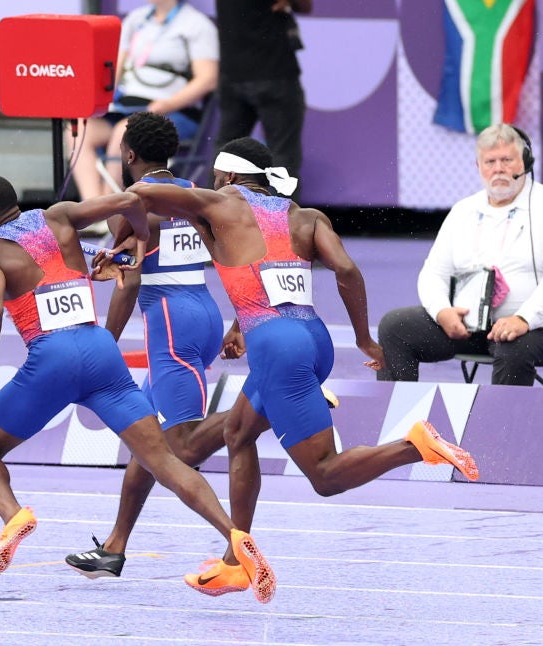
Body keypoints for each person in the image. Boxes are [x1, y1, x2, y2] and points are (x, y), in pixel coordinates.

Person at [125, 137, 480, 598]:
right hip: (314, 339)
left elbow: (144, 193)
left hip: (277, 349)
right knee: (238, 434)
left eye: (216, 177)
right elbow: (346, 271)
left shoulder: (219, 202)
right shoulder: (304, 216)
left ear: (229, 177)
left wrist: (118, 240)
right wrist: (364, 338)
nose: (212, 183)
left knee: (325, 477)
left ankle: (413, 447)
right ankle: (236, 560)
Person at [0, 174, 276, 604]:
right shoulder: (60, 215)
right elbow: (129, 199)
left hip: (51, 359)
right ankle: (235, 537)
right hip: (100, 350)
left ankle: (13, 516)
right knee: (161, 457)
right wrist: (139, 238)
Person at [64, 111, 228, 578]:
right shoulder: (194, 195)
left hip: (171, 325)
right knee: (147, 444)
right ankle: (114, 547)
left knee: (181, 446)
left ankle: (237, 541)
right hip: (206, 312)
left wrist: (104, 342)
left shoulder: (134, 201)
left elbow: (129, 282)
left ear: (128, 154)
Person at [377, 123, 543, 386]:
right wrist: (442, 311)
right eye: (490, 162)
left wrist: (524, 319)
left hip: (531, 327)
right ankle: (401, 421)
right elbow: (434, 273)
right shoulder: (463, 210)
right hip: (468, 326)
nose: (498, 169)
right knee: (395, 328)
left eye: (507, 160)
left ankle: (503, 427)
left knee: (513, 349)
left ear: (526, 162)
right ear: (478, 167)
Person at [67, 0, 218, 205]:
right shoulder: (135, 20)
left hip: (173, 111)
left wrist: (167, 104)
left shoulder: (197, 25)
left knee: (126, 132)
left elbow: (207, 80)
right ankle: (91, 204)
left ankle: (109, 207)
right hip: (126, 107)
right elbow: (113, 73)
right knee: (78, 130)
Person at [213, 0, 310, 195]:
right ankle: (280, 222)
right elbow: (304, 6)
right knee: (283, 155)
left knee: (225, 153)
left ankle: (216, 220)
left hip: (233, 73)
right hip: (274, 74)